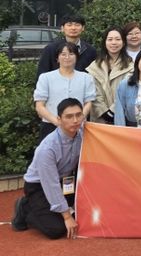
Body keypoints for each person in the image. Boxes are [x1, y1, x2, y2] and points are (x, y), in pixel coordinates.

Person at [12, 98, 84, 239]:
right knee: (56, 229)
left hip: (65, 181)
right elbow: (51, 184)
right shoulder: (47, 148)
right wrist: (67, 216)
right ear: (59, 119)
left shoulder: (82, 133)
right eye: (69, 116)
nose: (75, 120)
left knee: (82, 215)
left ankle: (54, 208)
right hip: (39, 186)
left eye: (78, 115)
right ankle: (25, 207)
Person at [34, 42, 95, 141]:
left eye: (71, 54)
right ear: (57, 58)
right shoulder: (46, 78)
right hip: (51, 126)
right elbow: (39, 106)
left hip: (78, 127)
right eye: (63, 54)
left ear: (76, 57)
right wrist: (58, 122)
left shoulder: (86, 78)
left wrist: (78, 119)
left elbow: (88, 102)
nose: (67, 57)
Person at [87, 27, 133, 125]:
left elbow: (128, 91)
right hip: (99, 117)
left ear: (123, 42)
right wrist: (103, 112)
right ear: (105, 42)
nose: (114, 43)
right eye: (110, 39)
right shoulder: (95, 66)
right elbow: (93, 91)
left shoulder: (131, 66)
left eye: (118, 39)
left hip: (122, 115)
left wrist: (113, 111)